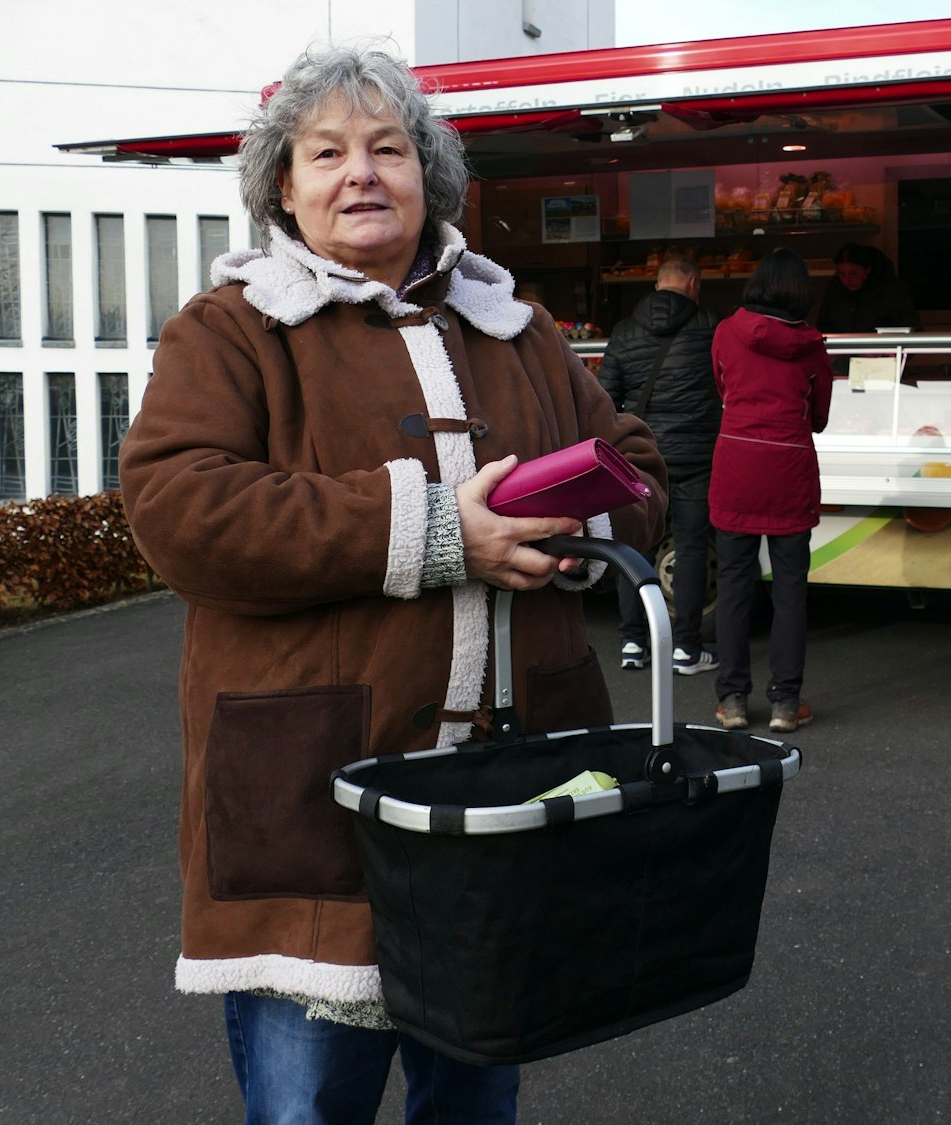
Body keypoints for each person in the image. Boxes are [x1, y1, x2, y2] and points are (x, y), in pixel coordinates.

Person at [117, 46, 666, 1125]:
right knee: (308, 1107)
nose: (359, 173)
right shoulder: (229, 330)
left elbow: (637, 469)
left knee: (474, 1093)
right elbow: (180, 508)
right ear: (283, 186)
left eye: (387, 149)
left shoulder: (517, 327)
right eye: (326, 153)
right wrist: (432, 530)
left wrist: (565, 521)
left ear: (430, 178)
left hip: (506, 781)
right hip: (310, 794)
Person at [709, 247, 833, 734]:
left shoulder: (726, 332)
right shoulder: (812, 347)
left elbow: (722, 390)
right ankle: (785, 703)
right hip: (789, 469)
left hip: (736, 464)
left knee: (735, 588)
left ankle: (732, 700)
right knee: (790, 592)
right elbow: (819, 417)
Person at [596, 254, 722, 676]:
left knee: (635, 547)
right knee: (690, 549)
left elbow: (605, 397)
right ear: (694, 285)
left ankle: (633, 641)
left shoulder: (625, 331)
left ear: (657, 286)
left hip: (643, 456)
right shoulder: (710, 327)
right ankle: (685, 648)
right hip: (697, 457)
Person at [814, 242, 920, 334]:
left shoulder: (891, 290)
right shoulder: (835, 289)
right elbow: (823, 325)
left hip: (882, 354)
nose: (847, 280)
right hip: (841, 354)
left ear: (867, 269)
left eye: (853, 274)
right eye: (842, 274)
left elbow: (911, 328)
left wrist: (887, 352)